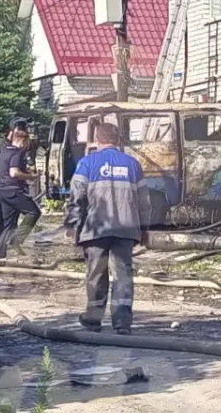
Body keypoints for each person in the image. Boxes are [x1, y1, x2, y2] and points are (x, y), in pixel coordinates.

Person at [64, 122, 147, 335]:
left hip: (96, 229)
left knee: (96, 274)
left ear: (97, 140)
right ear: (118, 140)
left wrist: (72, 225)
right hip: (126, 229)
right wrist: (144, 228)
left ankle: (93, 320)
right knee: (123, 276)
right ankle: (122, 324)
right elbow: (144, 201)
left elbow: (76, 197)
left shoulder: (87, 163)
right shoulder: (133, 164)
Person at [0, 119, 42, 260]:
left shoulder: (4, 151)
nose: (27, 147)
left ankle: (0, 256)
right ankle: (17, 239)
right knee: (34, 212)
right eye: (27, 143)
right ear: (22, 140)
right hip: (13, 190)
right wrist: (30, 177)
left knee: (7, 224)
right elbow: (14, 173)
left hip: (1, 190)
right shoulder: (16, 153)